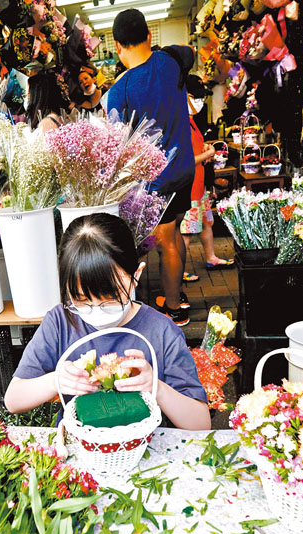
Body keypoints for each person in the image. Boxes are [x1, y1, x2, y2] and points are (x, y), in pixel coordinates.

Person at [5, 213, 211, 430]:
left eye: (110, 299)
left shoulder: (161, 331)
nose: (96, 311)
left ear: (136, 276)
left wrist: (156, 387)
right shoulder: (60, 321)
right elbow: (13, 400)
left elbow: (201, 424)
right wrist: (55, 380)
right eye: (81, 300)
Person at [106, 9, 196, 326]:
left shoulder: (120, 91)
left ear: (117, 45)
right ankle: (178, 292)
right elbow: (190, 53)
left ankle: (174, 308)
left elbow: (117, 143)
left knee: (167, 242)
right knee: (177, 233)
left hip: (159, 180)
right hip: (186, 168)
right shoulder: (172, 60)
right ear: (148, 36)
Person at [179, 75, 232, 273]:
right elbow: (184, 161)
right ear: (184, 96)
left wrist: (204, 149)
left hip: (199, 185)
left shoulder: (192, 121)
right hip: (190, 187)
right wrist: (208, 154)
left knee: (207, 222)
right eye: (196, 97)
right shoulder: (181, 124)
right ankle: (179, 270)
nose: (200, 102)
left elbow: (194, 150)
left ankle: (211, 257)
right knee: (186, 231)